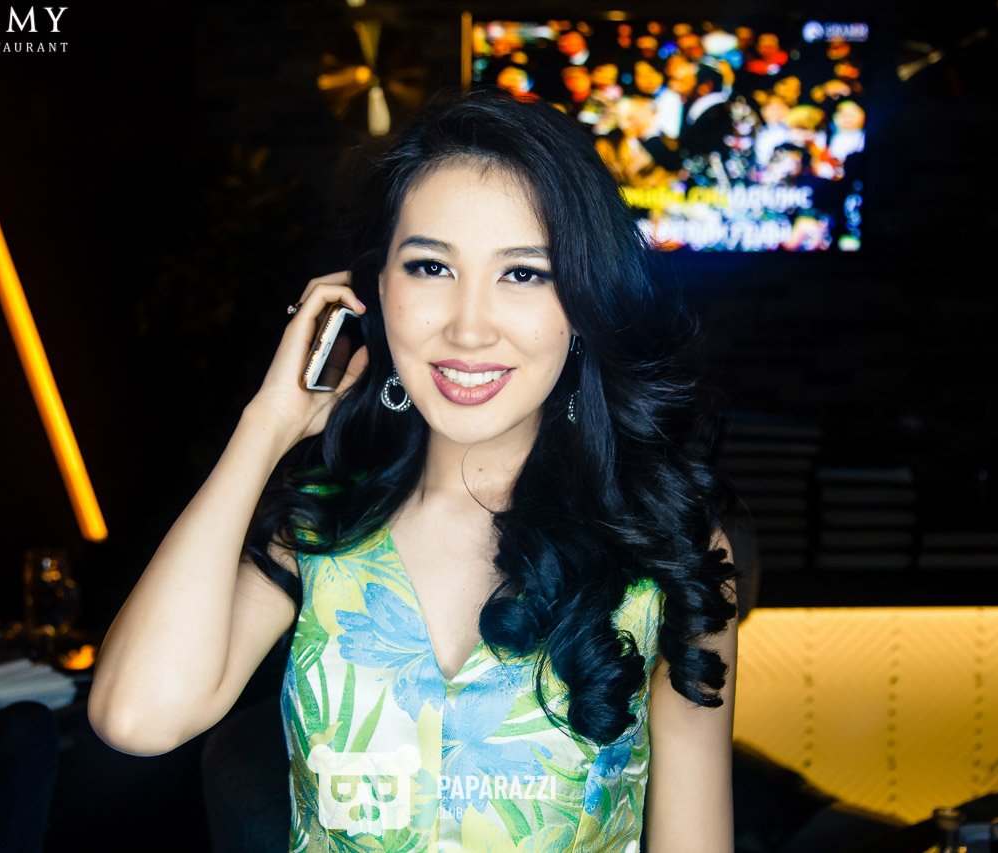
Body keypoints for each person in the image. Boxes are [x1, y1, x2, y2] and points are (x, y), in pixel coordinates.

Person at [88, 85, 739, 852]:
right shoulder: (322, 526)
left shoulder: (667, 548)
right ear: (377, 291)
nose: (468, 327)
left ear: (584, 302)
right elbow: (135, 717)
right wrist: (267, 425)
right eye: (431, 266)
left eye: (523, 273)